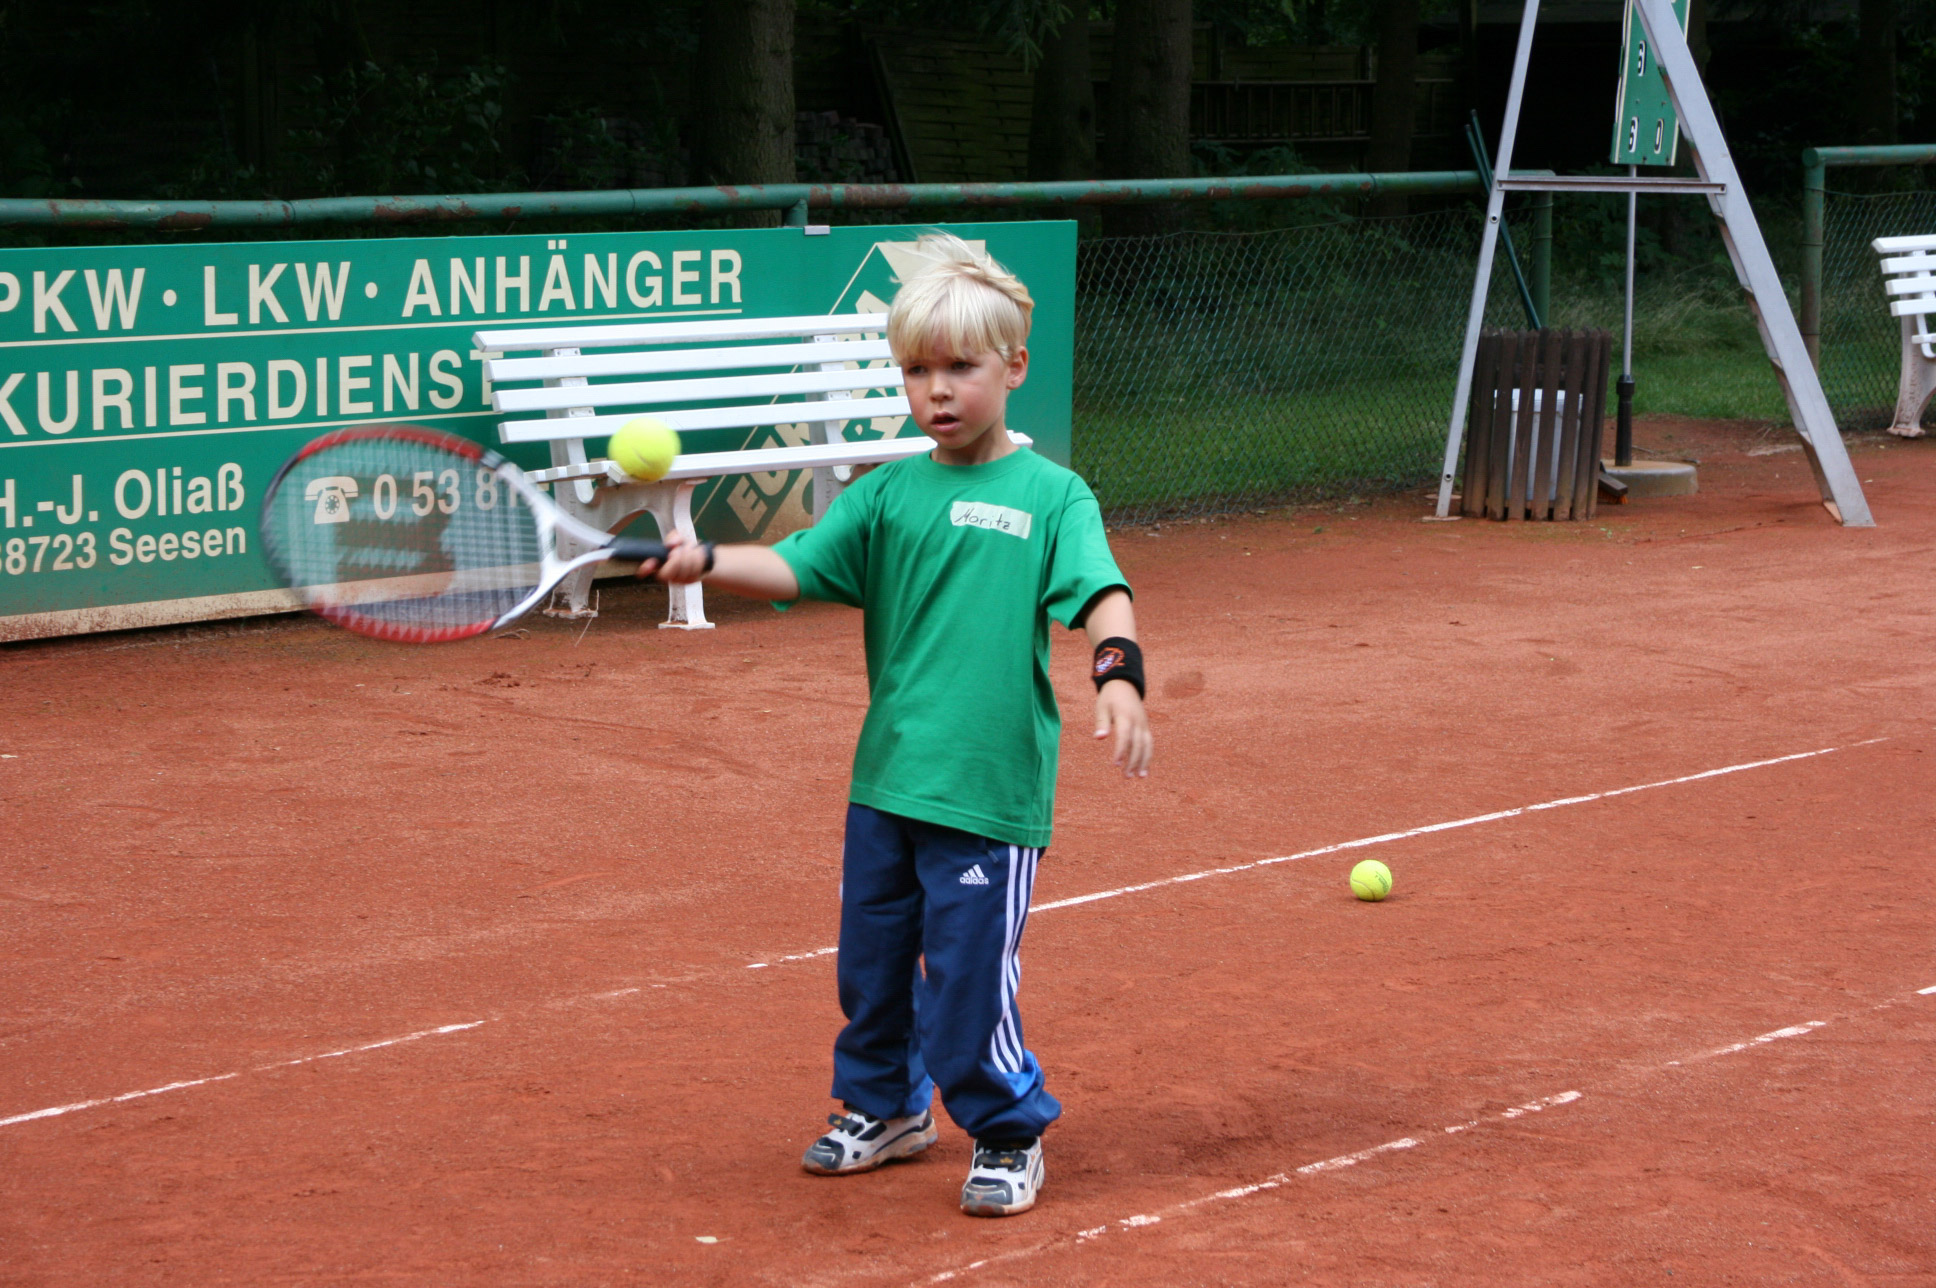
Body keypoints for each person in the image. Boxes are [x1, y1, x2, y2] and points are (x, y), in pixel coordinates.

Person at [643, 232, 1151, 1217]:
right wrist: (705, 558)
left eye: (960, 366)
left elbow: (1103, 593)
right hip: (886, 784)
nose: (938, 390)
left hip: (988, 797)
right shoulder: (885, 494)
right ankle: (887, 1108)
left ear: (1014, 366)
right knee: (870, 971)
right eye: (917, 371)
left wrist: (1118, 677)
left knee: (965, 981)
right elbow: (795, 566)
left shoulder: (1052, 495)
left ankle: (1006, 1128)